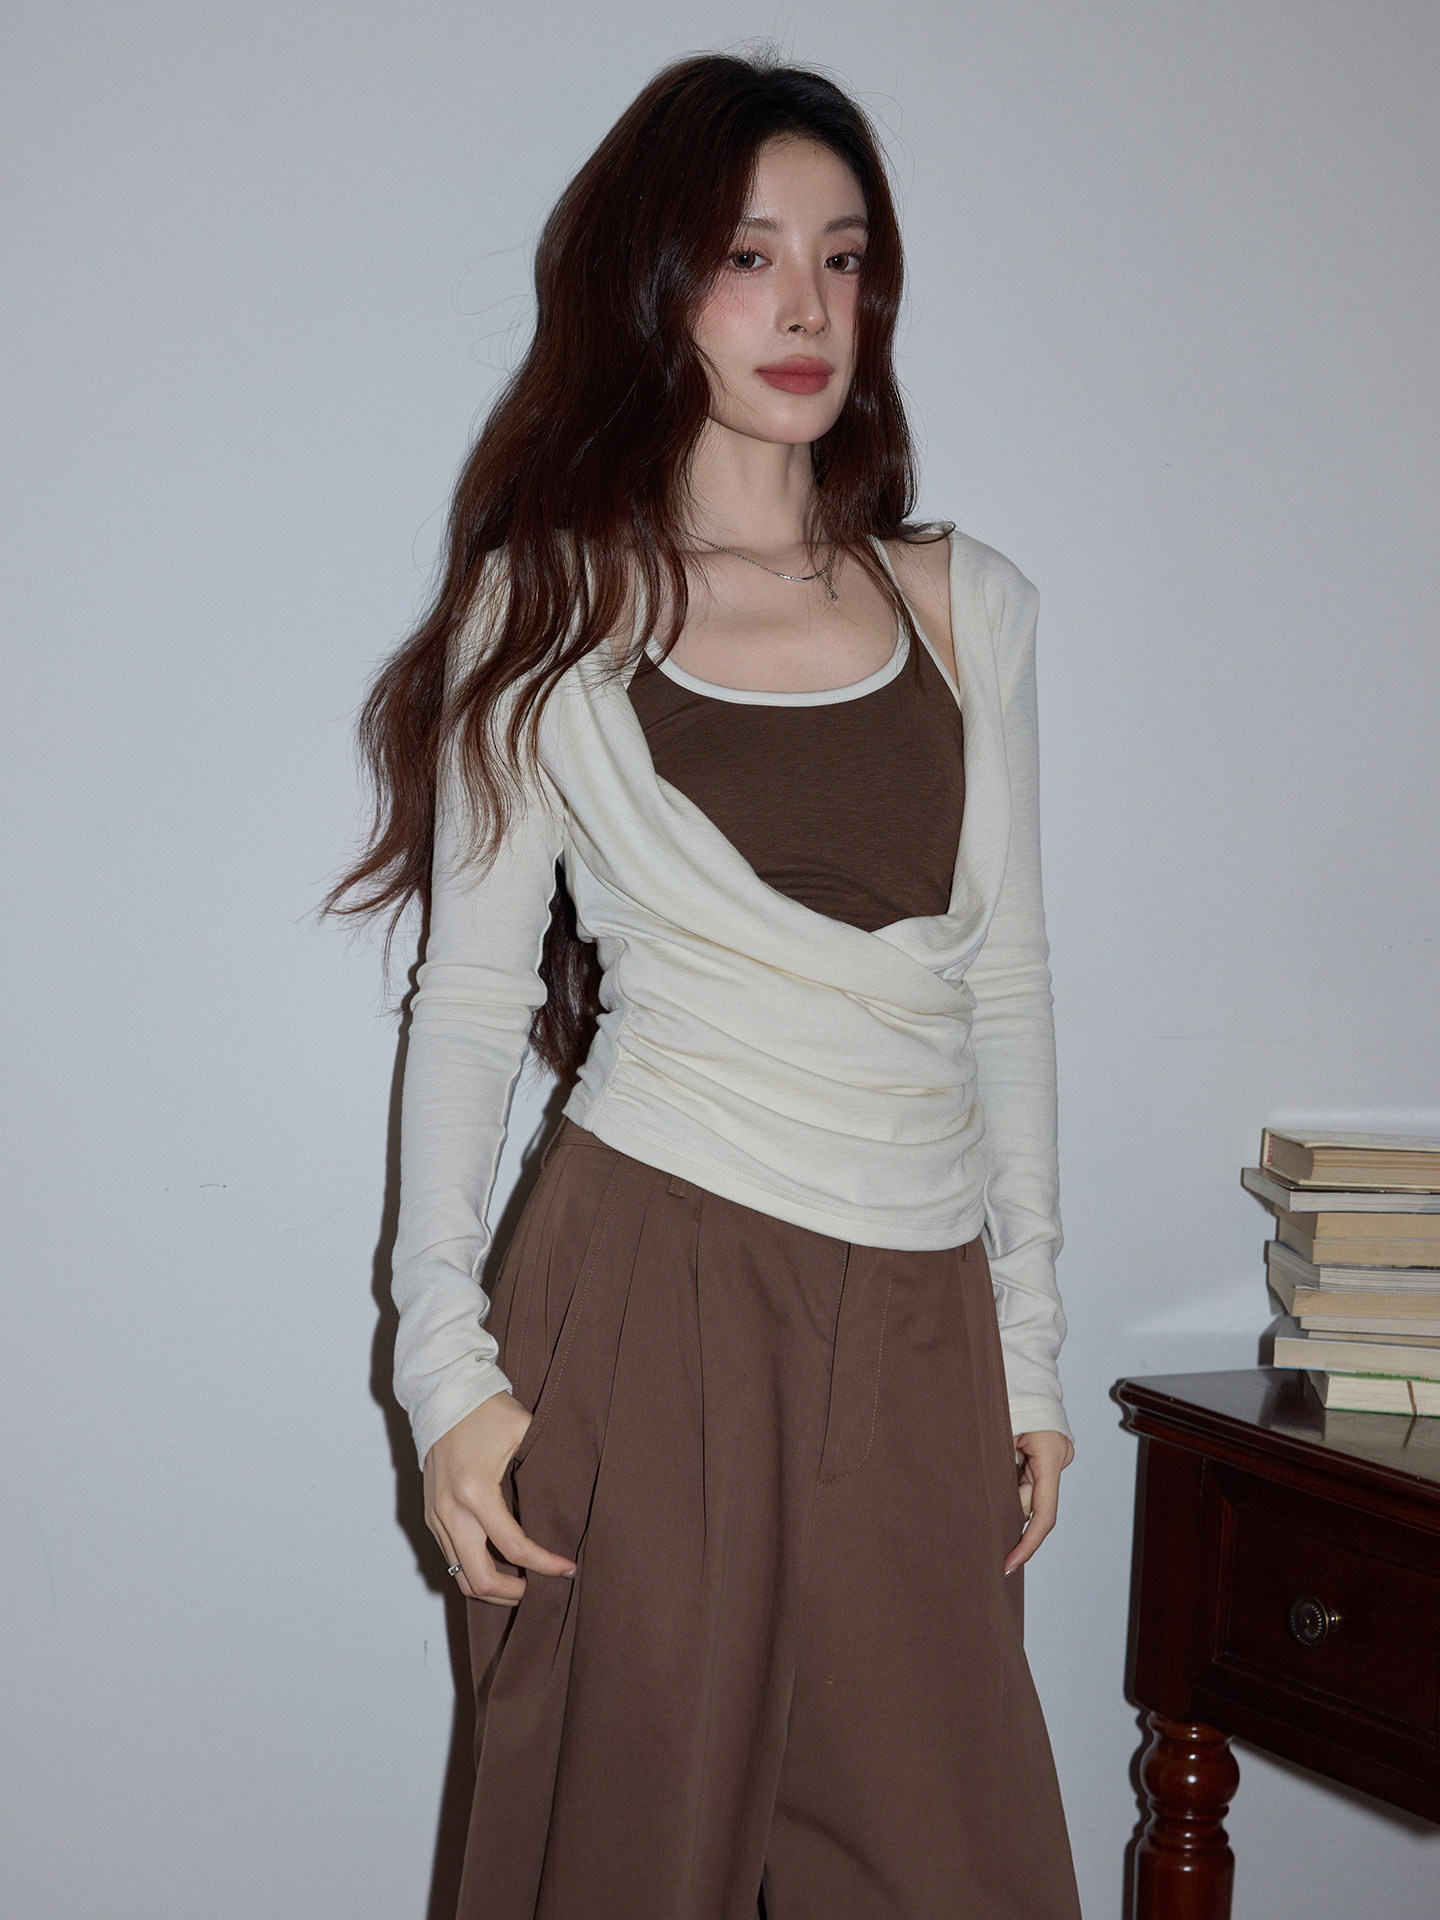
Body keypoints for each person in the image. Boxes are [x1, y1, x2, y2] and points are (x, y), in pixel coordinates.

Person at [331, 50, 1081, 1920]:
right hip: (653, 1285)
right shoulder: (553, 606)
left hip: (923, 1310)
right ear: (658, 284)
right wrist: (442, 1367)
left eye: (843, 256)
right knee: (625, 1862)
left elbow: (1004, 987)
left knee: (954, 1864)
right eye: (751, 256)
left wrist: (1033, 1346)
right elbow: (471, 1005)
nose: (808, 305)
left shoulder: (968, 605)